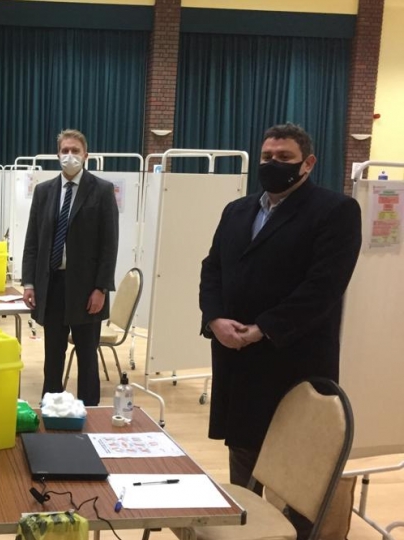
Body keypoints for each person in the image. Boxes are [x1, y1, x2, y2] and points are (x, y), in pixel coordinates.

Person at [199, 123, 361, 537]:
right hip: (238, 360)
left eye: (284, 158)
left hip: (294, 362)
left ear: (307, 164)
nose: (273, 164)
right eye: (267, 157)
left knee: (300, 477)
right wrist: (215, 319)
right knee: (244, 460)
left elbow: (322, 288)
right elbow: (212, 268)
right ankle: (247, 530)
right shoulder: (236, 211)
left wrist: (262, 329)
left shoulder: (335, 211)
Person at [22, 129, 119, 406]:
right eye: (65, 151)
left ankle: (90, 415)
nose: (70, 156)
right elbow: (33, 241)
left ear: (85, 155)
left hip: (88, 291)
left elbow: (109, 245)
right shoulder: (44, 192)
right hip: (51, 287)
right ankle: (51, 410)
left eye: (75, 151)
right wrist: (29, 283)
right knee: (53, 356)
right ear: (57, 155)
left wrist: (101, 288)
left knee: (87, 359)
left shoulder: (101, 190)